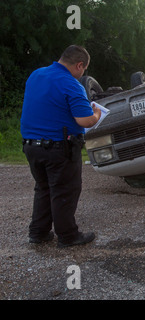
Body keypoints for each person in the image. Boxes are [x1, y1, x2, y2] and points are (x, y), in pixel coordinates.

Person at [21, 45, 101, 248]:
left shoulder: (36, 75)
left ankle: (38, 233)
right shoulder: (70, 84)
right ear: (79, 65)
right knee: (65, 189)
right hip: (58, 147)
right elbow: (85, 120)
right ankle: (68, 236)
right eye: (83, 70)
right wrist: (96, 115)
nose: (82, 74)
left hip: (31, 146)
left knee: (44, 188)